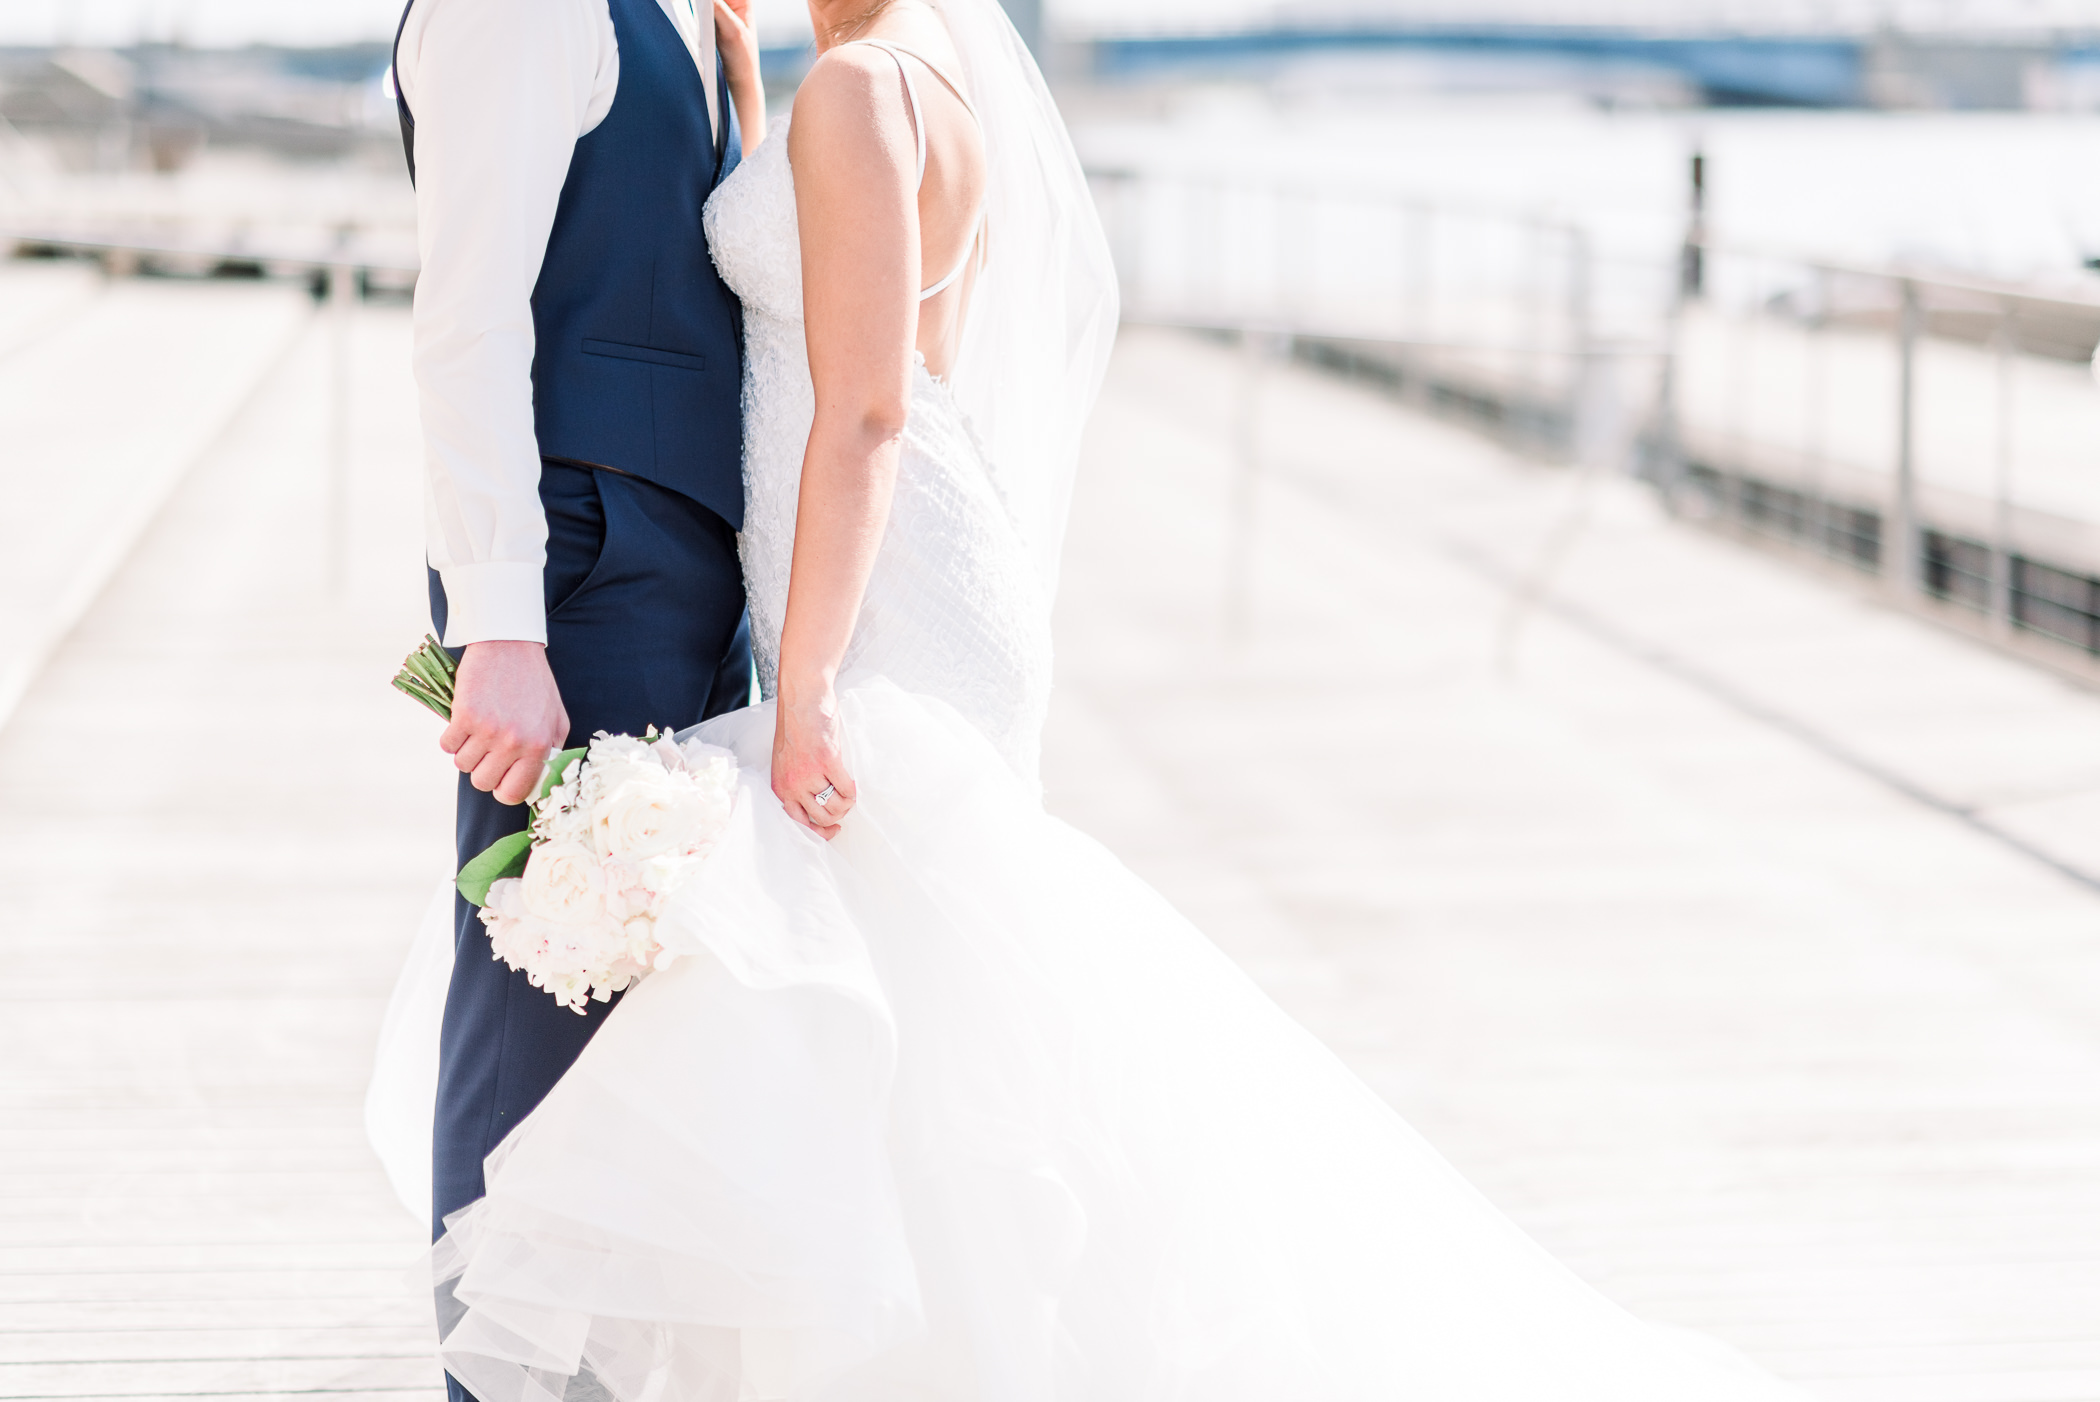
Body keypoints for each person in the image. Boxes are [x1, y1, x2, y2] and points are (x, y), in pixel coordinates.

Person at [374, 0, 1809, 1395]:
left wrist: (803, 672)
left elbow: (859, 404)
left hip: (853, 592)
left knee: (872, 989)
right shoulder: (854, 64)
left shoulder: (864, 89)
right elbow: (528, 307)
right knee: (811, 987)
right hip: (803, 569)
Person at [386, 5, 757, 1400]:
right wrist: (497, 623)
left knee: (641, 1031)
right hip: (583, 566)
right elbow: (465, 318)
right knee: (541, 1011)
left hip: (671, 563)